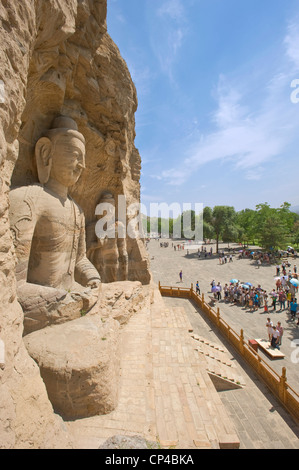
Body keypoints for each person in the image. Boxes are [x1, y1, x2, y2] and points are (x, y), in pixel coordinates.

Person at [9, 116, 101, 335]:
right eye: (75, 155)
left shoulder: (76, 210)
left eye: (84, 159)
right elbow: (13, 284)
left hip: (71, 297)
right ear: (46, 153)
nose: (82, 165)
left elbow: (80, 259)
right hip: (43, 306)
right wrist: (62, 300)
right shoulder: (27, 200)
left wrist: (93, 278)